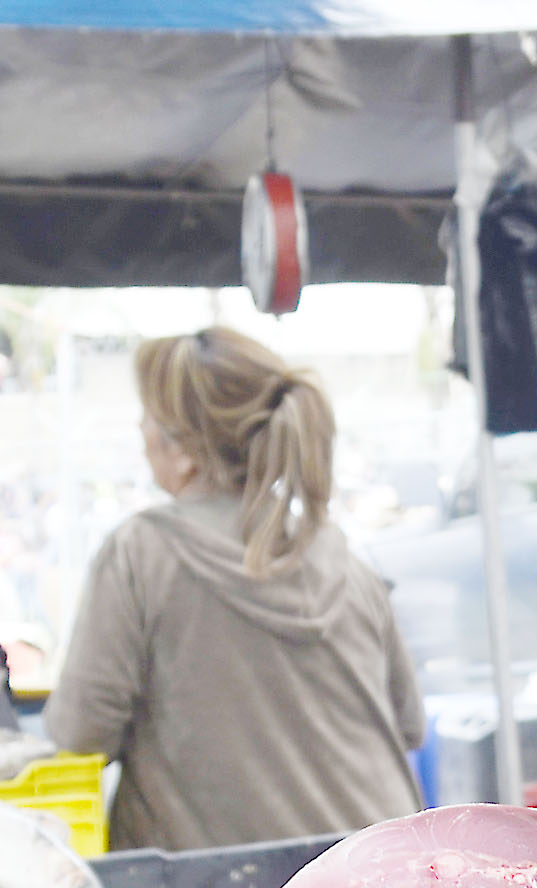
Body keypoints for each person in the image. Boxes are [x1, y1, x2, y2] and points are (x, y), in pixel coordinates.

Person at [46, 328, 424, 852]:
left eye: (149, 416)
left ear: (184, 452)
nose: (140, 428)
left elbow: (79, 734)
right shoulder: (341, 560)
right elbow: (410, 727)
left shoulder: (139, 554)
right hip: (381, 869)